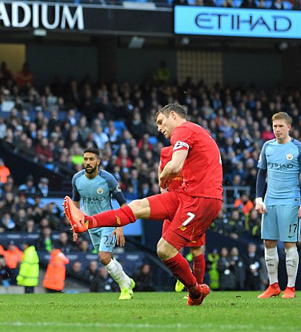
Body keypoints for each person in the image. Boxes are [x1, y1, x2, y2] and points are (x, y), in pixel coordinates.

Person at [65, 103, 222, 306]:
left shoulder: (183, 130)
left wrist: (163, 176)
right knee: (137, 205)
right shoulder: (195, 131)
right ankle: (86, 222)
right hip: (187, 194)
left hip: (201, 199)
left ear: (173, 115)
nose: (159, 128)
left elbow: (174, 167)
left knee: (164, 249)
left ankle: (194, 290)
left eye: (160, 122)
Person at [255, 112, 301, 299]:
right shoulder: (267, 147)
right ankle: (273, 286)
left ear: (289, 127)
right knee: (268, 242)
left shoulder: (298, 148)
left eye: (280, 126)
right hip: (270, 201)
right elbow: (261, 174)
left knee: (289, 243)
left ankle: (291, 288)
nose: (277, 130)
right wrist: (258, 198)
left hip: (291, 201)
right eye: (275, 126)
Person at [69, 147, 135, 300]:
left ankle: (125, 288)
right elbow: (76, 203)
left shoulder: (108, 179)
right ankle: (127, 280)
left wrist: (120, 226)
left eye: (91, 159)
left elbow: (124, 205)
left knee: (103, 257)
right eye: (85, 159)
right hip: (91, 226)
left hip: (109, 223)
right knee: (108, 258)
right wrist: (75, 225)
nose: (88, 162)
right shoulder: (77, 179)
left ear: (98, 161)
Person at [159, 145, 206, 297]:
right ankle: (184, 276)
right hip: (173, 204)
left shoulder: (194, 151)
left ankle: (197, 289)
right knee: (166, 247)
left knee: (196, 249)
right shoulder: (165, 152)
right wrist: (163, 192)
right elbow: (161, 170)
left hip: (191, 205)